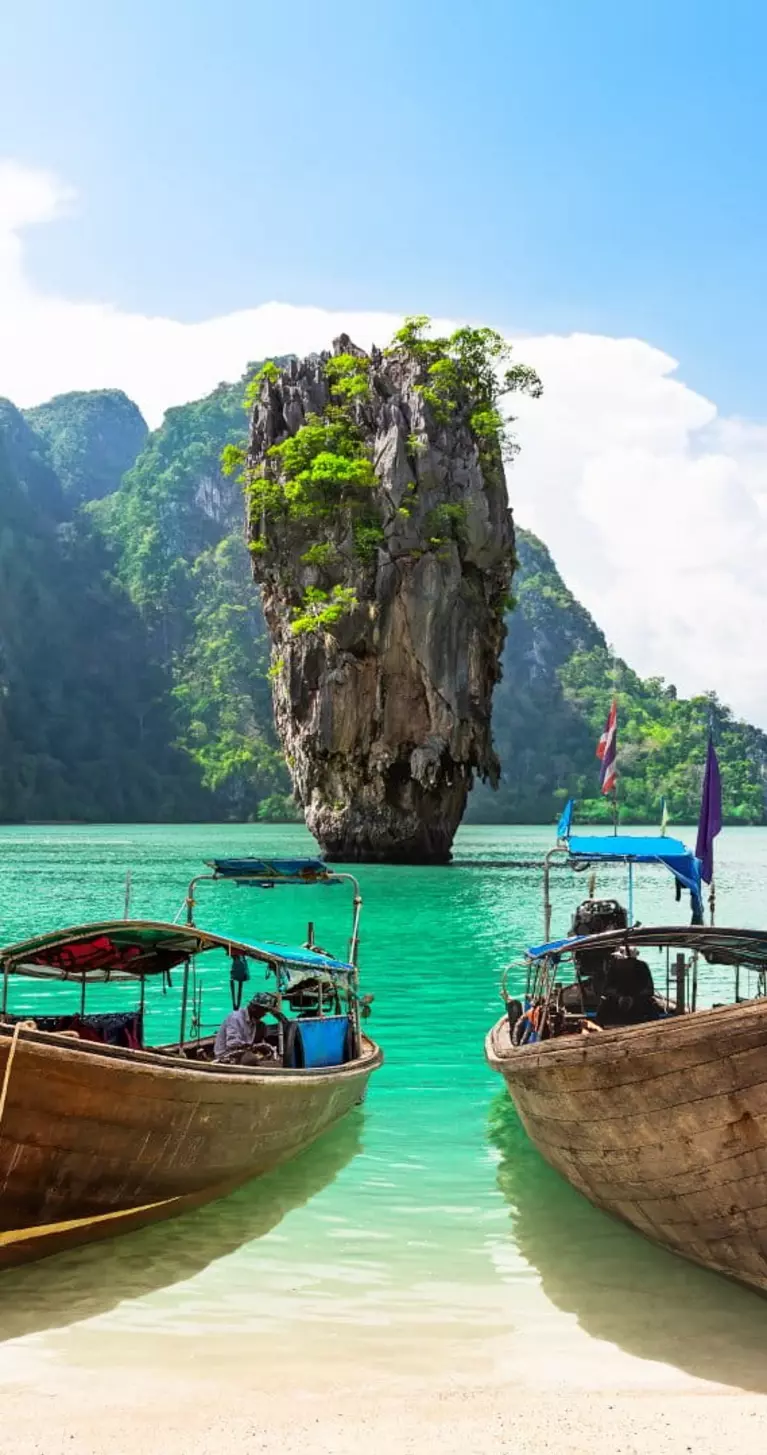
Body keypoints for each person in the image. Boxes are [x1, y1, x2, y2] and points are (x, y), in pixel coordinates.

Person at [214, 996, 272, 1060]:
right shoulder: (235, 1018)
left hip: (243, 1052)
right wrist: (254, 1047)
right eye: (263, 1011)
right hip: (226, 1054)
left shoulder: (254, 1022)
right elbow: (233, 1044)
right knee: (252, 1059)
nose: (263, 1015)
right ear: (254, 1008)